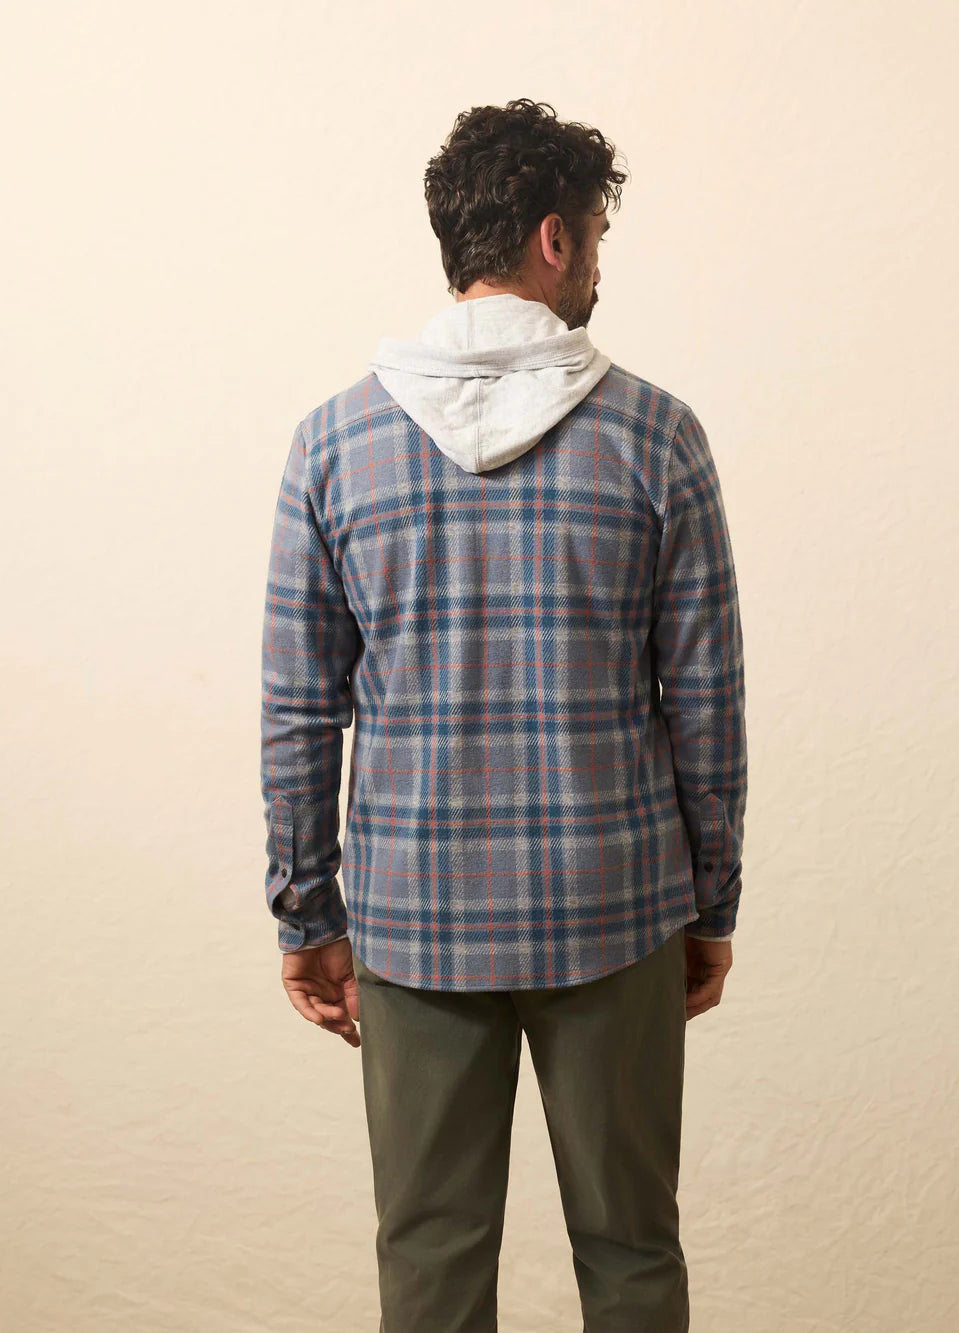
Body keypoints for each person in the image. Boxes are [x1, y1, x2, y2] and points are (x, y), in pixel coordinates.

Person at [260, 96, 748, 1333]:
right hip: (616, 908)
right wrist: (710, 903)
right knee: (632, 1251)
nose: (595, 269)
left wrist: (308, 911)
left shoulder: (332, 445)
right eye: (594, 238)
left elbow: (299, 710)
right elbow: (705, 700)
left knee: (428, 1258)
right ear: (552, 239)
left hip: (414, 915)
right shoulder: (656, 436)